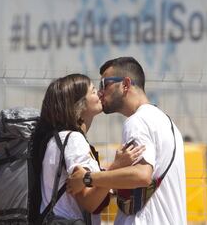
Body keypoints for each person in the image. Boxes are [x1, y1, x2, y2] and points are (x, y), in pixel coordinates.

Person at [67, 57, 188, 225]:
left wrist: (87, 178)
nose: (100, 92)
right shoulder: (167, 123)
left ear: (125, 84)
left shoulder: (136, 121)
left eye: (104, 84)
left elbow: (142, 175)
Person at [32, 74, 145, 225]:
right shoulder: (74, 141)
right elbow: (89, 202)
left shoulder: (57, 139)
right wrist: (116, 167)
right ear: (79, 105)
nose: (99, 93)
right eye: (92, 91)